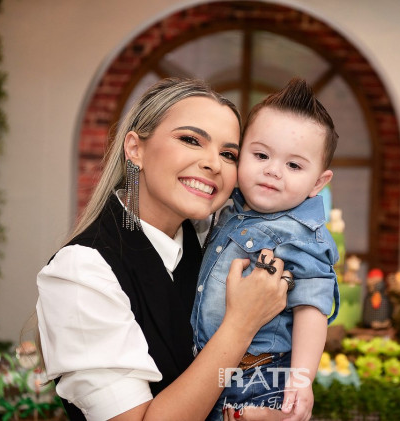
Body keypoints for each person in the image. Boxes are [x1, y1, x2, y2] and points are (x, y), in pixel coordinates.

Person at [36, 78, 301, 421]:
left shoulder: (213, 245)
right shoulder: (82, 271)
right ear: (135, 149)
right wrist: (241, 324)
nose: (214, 164)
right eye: (191, 140)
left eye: (228, 154)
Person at [191, 78, 340, 420]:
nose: (273, 170)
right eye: (261, 155)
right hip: (206, 367)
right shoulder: (230, 208)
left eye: (294, 165)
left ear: (318, 182)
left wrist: (302, 378)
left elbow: (312, 308)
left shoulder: (303, 236)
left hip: (257, 379)